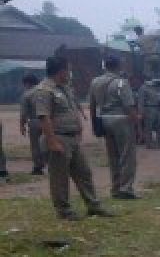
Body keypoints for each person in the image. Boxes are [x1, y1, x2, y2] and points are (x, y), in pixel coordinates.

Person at [33, 55, 113, 219]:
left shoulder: (65, 88)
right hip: (58, 138)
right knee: (59, 178)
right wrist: (52, 141)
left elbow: (72, 109)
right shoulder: (44, 90)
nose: (70, 73)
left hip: (72, 138)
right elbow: (44, 117)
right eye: (68, 70)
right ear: (61, 71)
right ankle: (64, 211)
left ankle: (93, 206)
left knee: (84, 173)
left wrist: (79, 129)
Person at [88, 55, 139, 200]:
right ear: (118, 66)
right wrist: (136, 122)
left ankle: (115, 187)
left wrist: (95, 124)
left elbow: (92, 105)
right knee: (127, 155)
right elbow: (128, 105)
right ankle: (126, 188)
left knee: (113, 156)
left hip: (104, 119)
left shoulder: (95, 82)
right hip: (121, 119)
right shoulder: (121, 83)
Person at [19, 73, 46, 175]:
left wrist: (22, 126)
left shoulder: (27, 94)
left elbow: (23, 113)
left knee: (35, 145)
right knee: (48, 142)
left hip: (35, 121)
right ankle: (50, 163)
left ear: (27, 83)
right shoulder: (44, 91)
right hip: (48, 120)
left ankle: (37, 167)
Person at [138, 78, 160, 149]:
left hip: (156, 107)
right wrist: (141, 112)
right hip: (148, 108)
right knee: (148, 127)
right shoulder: (143, 88)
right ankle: (149, 144)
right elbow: (141, 101)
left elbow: (159, 97)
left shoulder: (155, 87)